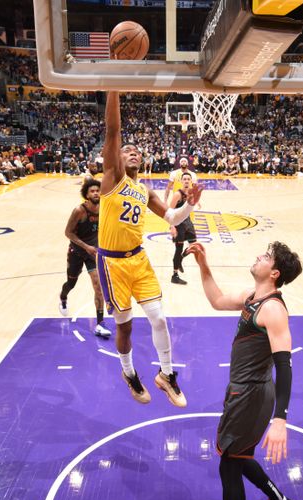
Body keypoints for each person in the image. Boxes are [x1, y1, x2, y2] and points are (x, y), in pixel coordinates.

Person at [185, 241, 303, 500]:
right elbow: (217, 300)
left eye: (265, 257)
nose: (258, 256)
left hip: (251, 396)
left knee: (228, 465)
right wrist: (203, 264)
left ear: (274, 273)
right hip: (243, 391)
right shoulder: (252, 297)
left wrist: (281, 419)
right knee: (237, 455)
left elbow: (284, 365)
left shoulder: (273, 310)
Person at [98, 90, 203, 407]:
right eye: (126, 150)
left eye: (136, 151)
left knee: (158, 318)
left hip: (138, 259)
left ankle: (166, 375)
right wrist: (114, 86)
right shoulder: (112, 178)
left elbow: (171, 216)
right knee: (125, 325)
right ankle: (129, 372)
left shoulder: (143, 190)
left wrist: (189, 205)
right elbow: (113, 131)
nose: (131, 152)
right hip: (112, 264)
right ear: (116, 157)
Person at [59, 178, 111, 338]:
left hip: (93, 253)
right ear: (86, 194)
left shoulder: (104, 208)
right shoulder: (79, 211)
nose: (96, 193)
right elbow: (68, 233)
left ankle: (100, 324)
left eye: (97, 190)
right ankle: (63, 297)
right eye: (92, 191)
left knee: (98, 286)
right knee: (71, 283)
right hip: (77, 251)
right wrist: (85, 246)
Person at [168, 171, 198, 285]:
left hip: (188, 222)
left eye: (188, 179)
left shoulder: (191, 193)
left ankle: (180, 259)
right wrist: (172, 226)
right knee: (178, 248)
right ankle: (174, 275)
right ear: (181, 181)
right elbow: (169, 211)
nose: (186, 181)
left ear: (191, 181)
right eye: (184, 179)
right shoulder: (177, 194)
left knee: (194, 246)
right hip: (178, 224)